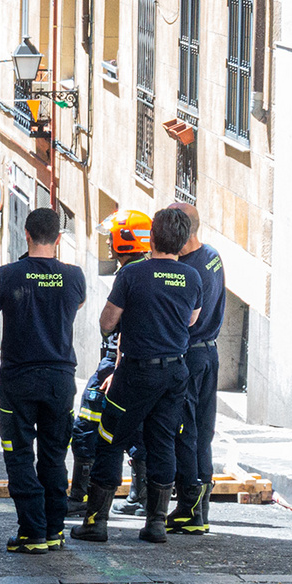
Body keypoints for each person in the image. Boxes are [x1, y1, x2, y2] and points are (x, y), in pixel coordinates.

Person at [73, 207, 201, 545]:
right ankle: (156, 523)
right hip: (175, 371)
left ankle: (96, 521)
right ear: (182, 241)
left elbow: (107, 322)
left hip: (136, 372)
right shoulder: (192, 277)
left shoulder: (132, 275)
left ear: (152, 239)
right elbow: (191, 320)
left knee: (110, 437)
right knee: (162, 443)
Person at [0, 207, 86, 553]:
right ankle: (54, 530)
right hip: (60, 379)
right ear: (58, 239)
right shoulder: (75, 276)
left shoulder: (7, 275)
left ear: (27, 236)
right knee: (54, 456)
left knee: (18, 456)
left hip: (20, 380)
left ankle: (32, 532)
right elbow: (74, 307)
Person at [66, 210, 153, 518]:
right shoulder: (149, 270)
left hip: (116, 365)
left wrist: (115, 368)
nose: (109, 245)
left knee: (87, 428)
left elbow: (110, 326)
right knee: (136, 432)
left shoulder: (131, 274)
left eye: (111, 238)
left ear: (123, 241)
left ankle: (81, 498)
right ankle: (140, 499)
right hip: (132, 364)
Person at [167, 203, 225, 535]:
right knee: (203, 434)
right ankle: (200, 510)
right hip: (209, 354)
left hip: (189, 355)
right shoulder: (213, 255)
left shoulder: (188, 270)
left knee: (185, 433)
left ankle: (190, 509)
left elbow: (183, 319)